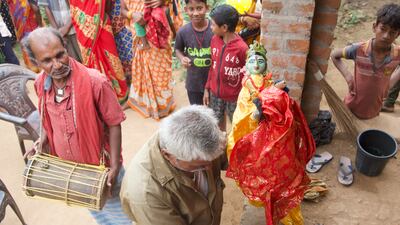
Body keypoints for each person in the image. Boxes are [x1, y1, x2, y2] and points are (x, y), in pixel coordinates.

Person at [22, 27, 132, 225]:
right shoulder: (41, 83)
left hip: (103, 170)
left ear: (66, 48)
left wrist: (114, 167)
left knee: (120, 215)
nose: (57, 65)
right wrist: (43, 139)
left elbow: (114, 124)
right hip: (72, 169)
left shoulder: (95, 82)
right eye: (47, 60)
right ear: (35, 63)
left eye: (60, 55)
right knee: (97, 211)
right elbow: (48, 118)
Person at [120, 105, 226, 225]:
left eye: (212, 160)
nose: (209, 167)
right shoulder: (146, 194)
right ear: (168, 156)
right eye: (200, 166)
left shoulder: (199, 143)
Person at [331, 3, 400, 119]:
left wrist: (391, 82)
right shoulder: (359, 49)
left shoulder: (397, 54)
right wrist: (348, 77)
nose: (386, 36)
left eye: (392, 32)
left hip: (374, 111)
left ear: (398, 35)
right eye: (383, 29)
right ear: (374, 27)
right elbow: (334, 55)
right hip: (351, 109)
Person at [122, 0, 182, 120]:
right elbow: (122, 9)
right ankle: (143, 102)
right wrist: (131, 15)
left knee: (161, 70)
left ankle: (164, 105)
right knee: (141, 64)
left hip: (160, 30)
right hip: (139, 32)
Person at [69, 0, 129, 105]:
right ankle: (103, 96)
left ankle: (120, 94)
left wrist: (99, 18)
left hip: (102, 25)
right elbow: (73, 8)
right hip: (82, 28)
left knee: (112, 59)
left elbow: (108, 4)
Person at [203, 4, 248, 131]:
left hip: (234, 97)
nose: (210, 27)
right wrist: (207, 88)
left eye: (212, 24)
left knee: (236, 126)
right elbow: (213, 66)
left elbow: (248, 75)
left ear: (224, 27)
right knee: (216, 124)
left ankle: (233, 149)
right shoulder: (214, 40)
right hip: (215, 94)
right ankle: (220, 147)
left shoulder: (242, 48)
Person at [174, 0, 212, 105]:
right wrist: (182, 58)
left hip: (213, 82)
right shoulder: (183, 32)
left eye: (199, 8)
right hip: (193, 83)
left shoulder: (215, 29)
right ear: (186, 10)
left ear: (207, 8)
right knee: (197, 113)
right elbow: (178, 49)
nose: (195, 13)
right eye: (191, 9)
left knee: (213, 114)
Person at [110, 0, 134, 79]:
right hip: (112, 33)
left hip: (124, 28)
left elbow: (124, 9)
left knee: (131, 52)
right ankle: (128, 77)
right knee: (121, 56)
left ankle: (136, 74)